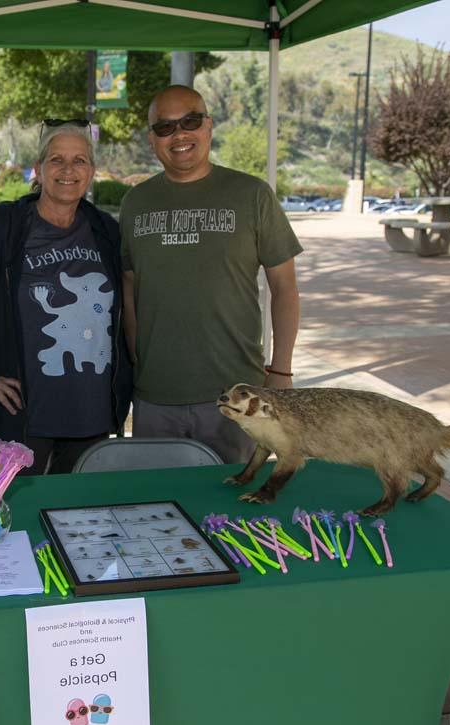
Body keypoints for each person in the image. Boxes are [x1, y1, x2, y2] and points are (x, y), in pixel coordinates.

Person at [0, 120, 132, 475]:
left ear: (92, 171)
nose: (68, 170)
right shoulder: (8, 230)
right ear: (39, 169)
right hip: (24, 419)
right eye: (56, 160)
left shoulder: (105, 231)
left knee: (81, 522)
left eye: (79, 160)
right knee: (14, 518)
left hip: (91, 417)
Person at [119, 85, 303, 465]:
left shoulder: (252, 194)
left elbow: (284, 288)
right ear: (152, 138)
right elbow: (130, 286)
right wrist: (140, 362)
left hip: (235, 391)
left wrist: (281, 370)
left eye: (190, 121)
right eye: (165, 127)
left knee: (232, 507)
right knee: (158, 509)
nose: (180, 134)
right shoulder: (135, 203)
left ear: (209, 126)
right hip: (156, 396)